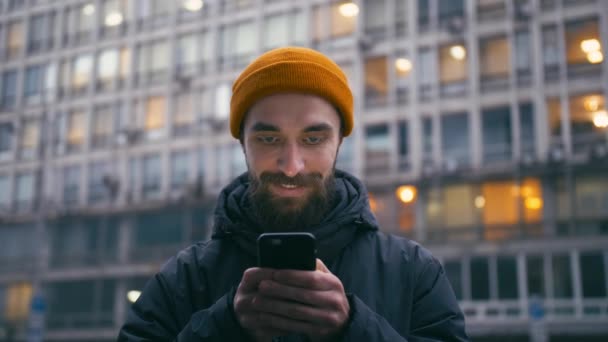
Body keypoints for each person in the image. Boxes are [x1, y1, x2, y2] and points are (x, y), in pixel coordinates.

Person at [118, 47, 468, 342]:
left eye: (313, 139)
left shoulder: (413, 272)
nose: (291, 166)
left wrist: (353, 328)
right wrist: (225, 323)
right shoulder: (184, 278)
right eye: (268, 139)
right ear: (243, 144)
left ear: (339, 143)